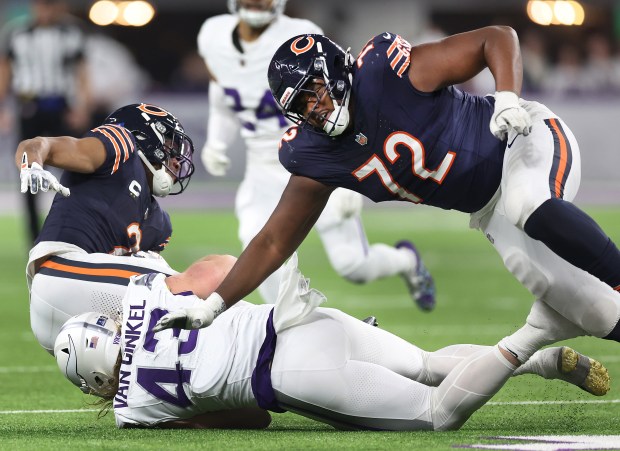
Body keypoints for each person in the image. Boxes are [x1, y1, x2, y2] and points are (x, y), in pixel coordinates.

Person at [154, 27, 620, 363]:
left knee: (527, 203)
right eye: (301, 105)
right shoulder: (313, 155)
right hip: (486, 207)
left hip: (525, 138)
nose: (315, 109)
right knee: (597, 313)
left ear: (337, 71)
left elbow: (495, 38)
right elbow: (274, 241)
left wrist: (506, 98)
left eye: (315, 91)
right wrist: (214, 304)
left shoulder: (387, 72)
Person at [53, 253, 609, 430]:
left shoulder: (135, 411)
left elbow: (251, 421)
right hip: (301, 319)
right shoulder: (145, 297)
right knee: (427, 364)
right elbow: (221, 267)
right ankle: (538, 362)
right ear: (104, 330)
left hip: (290, 376)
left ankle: (534, 333)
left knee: (437, 415)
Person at [197, 0, 435, 309]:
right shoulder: (212, 35)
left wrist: (348, 173)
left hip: (314, 159)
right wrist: (217, 140)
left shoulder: (300, 35)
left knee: (353, 265)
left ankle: (406, 261)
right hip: (260, 168)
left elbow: (342, 95)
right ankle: (286, 330)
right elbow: (222, 92)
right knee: (258, 255)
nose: (256, 2)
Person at [15, 102, 196, 353]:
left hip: (80, 316)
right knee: (192, 292)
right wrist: (32, 164)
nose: (176, 160)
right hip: (60, 272)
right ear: (146, 135)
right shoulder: (121, 143)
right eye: (170, 146)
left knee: (163, 336)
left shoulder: (158, 223)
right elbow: (35, 145)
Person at [0, 0, 93, 245]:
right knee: (28, 171)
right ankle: (35, 239)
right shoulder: (17, 34)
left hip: (61, 106)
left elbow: (81, 71)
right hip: (30, 106)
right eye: (43, 6)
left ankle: (79, 229)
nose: (47, 11)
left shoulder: (71, 33)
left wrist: (82, 107)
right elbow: (5, 71)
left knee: (78, 167)